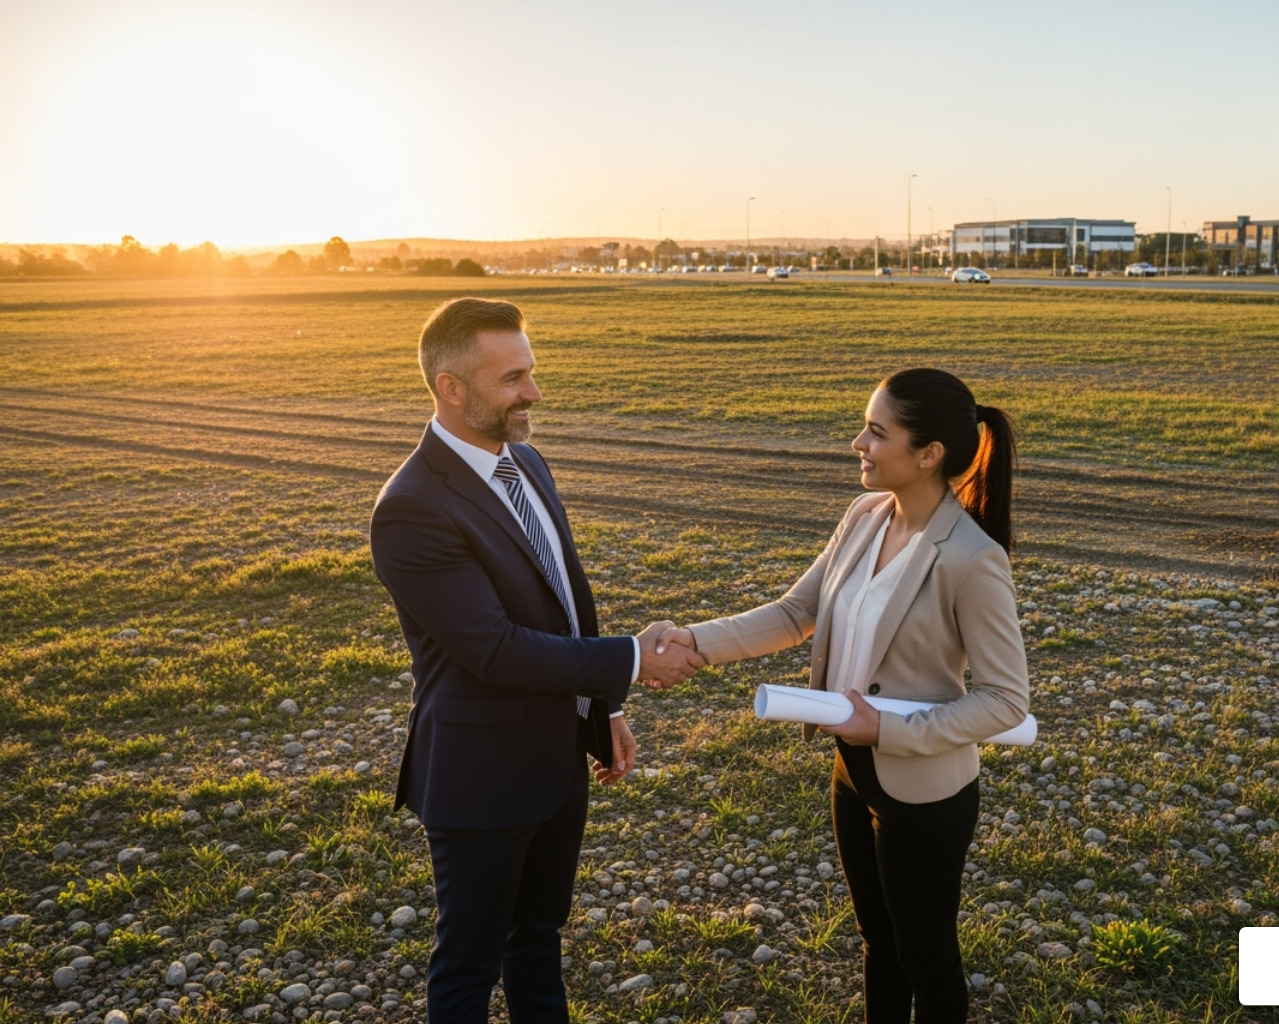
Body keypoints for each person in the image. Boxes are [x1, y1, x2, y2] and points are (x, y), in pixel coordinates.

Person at [653, 368, 1029, 1024]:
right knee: (878, 944)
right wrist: (694, 640)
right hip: (852, 773)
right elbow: (797, 611)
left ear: (928, 454)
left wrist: (886, 731)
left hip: (926, 791)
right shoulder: (864, 516)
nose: (858, 441)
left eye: (876, 432)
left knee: (927, 959)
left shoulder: (971, 559)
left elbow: (1005, 701)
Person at [369, 297, 702, 1024]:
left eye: (533, 371)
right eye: (514, 377)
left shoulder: (526, 462)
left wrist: (603, 708)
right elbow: (491, 647)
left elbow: (562, 602)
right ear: (452, 389)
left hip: (557, 761)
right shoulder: (412, 506)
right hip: (480, 776)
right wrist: (633, 661)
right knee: (468, 967)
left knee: (539, 943)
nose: (534, 393)